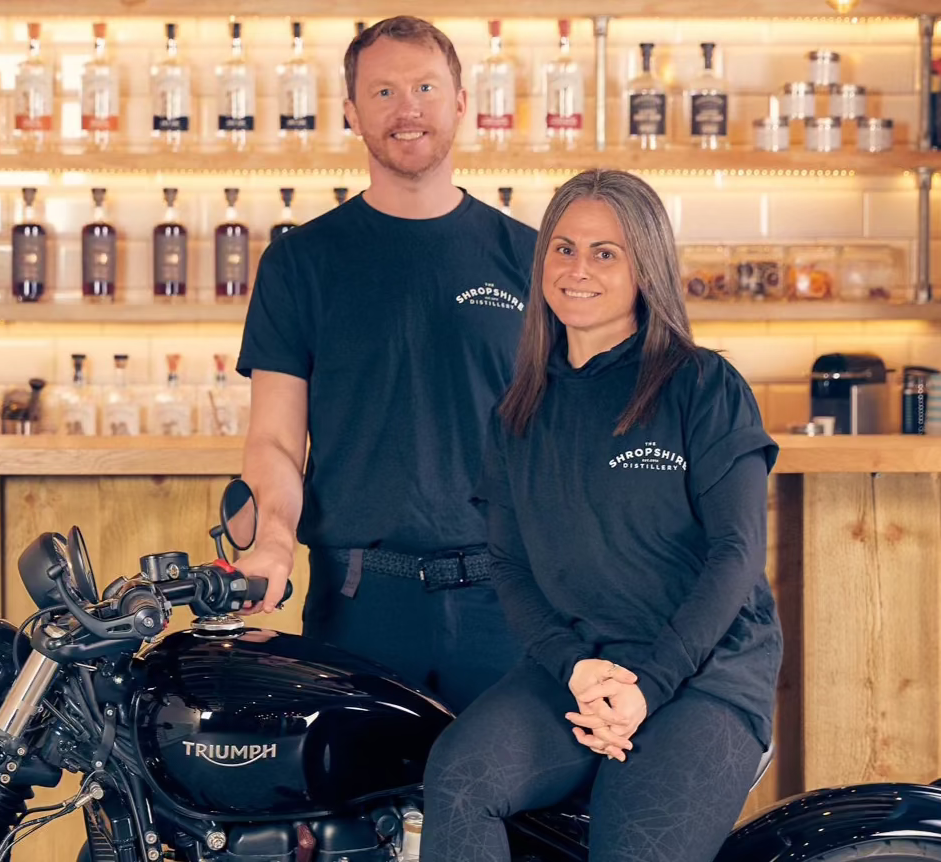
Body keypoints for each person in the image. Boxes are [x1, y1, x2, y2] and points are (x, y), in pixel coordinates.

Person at [421, 169, 784, 862]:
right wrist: (577, 669)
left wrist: (647, 686)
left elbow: (734, 555)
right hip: (579, 669)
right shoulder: (519, 411)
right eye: (563, 249)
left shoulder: (701, 386)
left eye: (605, 252)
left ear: (645, 267)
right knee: (460, 778)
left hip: (701, 675)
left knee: (632, 843)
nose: (577, 269)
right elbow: (511, 565)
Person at [233, 17, 537, 712]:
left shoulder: (529, 257)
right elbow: (275, 441)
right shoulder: (301, 263)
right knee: (345, 817)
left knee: (512, 816)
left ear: (461, 102)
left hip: (507, 599)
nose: (407, 109)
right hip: (358, 602)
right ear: (351, 112)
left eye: (425, 87)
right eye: (383, 91)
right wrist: (274, 539)